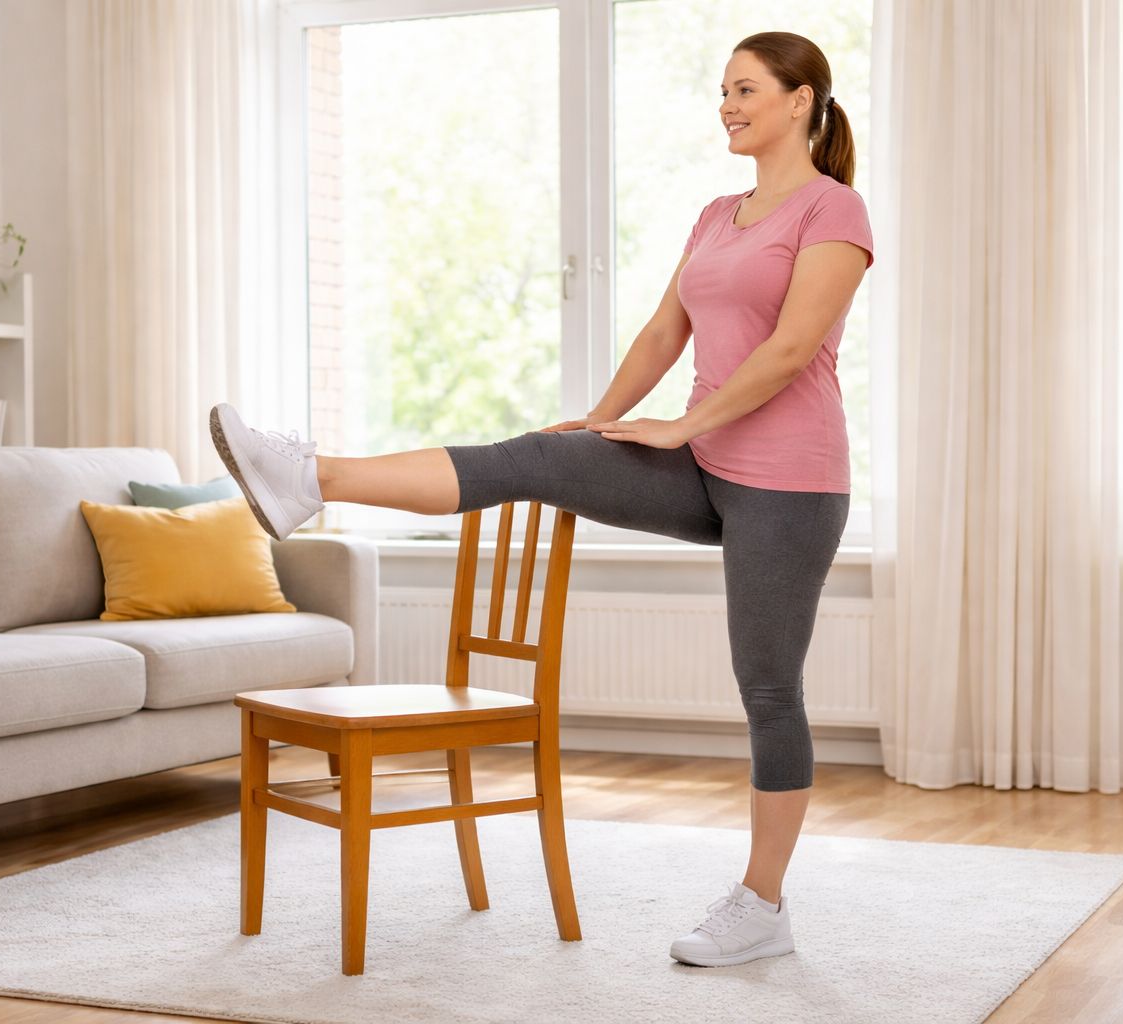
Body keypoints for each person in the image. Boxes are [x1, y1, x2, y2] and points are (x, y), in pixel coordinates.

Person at [210, 29, 873, 969]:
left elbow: (791, 349)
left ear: (801, 100)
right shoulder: (717, 213)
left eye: (746, 90)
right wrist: (599, 423)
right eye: (721, 91)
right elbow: (660, 331)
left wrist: (680, 429)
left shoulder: (834, 210)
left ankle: (763, 904)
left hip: (792, 483)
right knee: (531, 455)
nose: (726, 105)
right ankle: (312, 479)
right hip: (700, 460)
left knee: (769, 688)